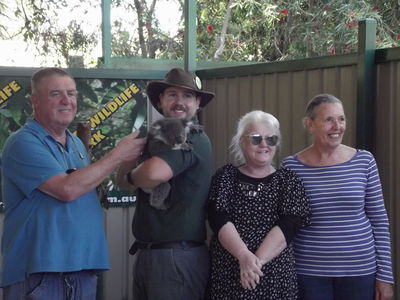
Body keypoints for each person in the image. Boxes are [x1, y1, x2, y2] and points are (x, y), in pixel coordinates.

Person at [0, 67, 146, 299]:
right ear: (35, 101)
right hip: (40, 275)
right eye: (55, 93)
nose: (67, 100)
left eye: (72, 93)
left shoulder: (77, 145)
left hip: (82, 271)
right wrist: (118, 155)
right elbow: (66, 189)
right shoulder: (22, 142)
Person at [281, 93, 394, 300]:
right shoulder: (291, 167)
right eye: (328, 120)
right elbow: (285, 225)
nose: (337, 126)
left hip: (360, 272)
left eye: (341, 119)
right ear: (310, 124)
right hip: (309, 274)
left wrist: (386, 276)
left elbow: (379, 221)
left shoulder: (364, 161)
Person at [116, 67, 215, 300]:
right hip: (148, 251)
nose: (179, 101)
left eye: (187, 96)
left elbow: (152, 173)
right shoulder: (154, 136)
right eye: (172, 94)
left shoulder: (194, 136)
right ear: (160, 100)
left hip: (176, 255)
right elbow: (122, 181)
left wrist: (134, 175)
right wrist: (130, 164)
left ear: (198, 103)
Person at [206, 110, 311, 299]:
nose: (264, 144)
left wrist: (253, 264)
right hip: (229, 279)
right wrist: (243, 256)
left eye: (271, 139)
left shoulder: (288, 180)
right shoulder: (226, 177)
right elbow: (218, 218)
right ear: (241, 142)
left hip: (275, 280)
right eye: (255, 139)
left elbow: (290, 224)